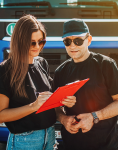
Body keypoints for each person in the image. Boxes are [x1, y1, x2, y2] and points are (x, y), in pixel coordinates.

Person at [0, 15, 76, 150]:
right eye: (32, 42)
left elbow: (49, 100)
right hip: (24, 140)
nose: (37, 47)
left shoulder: (42, 63)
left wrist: (63, 100)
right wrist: (33, 106)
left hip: (50, 135)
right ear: (20, 42)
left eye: (41, 42)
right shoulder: (5, 70)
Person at [53, 18, 118, 150]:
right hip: (71, 144)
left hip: (105, 145)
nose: (72, 46)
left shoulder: (106, 65)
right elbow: (55, 108)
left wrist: (94, 117)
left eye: (78, 40)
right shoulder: (61, 71)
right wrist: (63, 119)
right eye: (67, 41)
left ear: (89, 40)